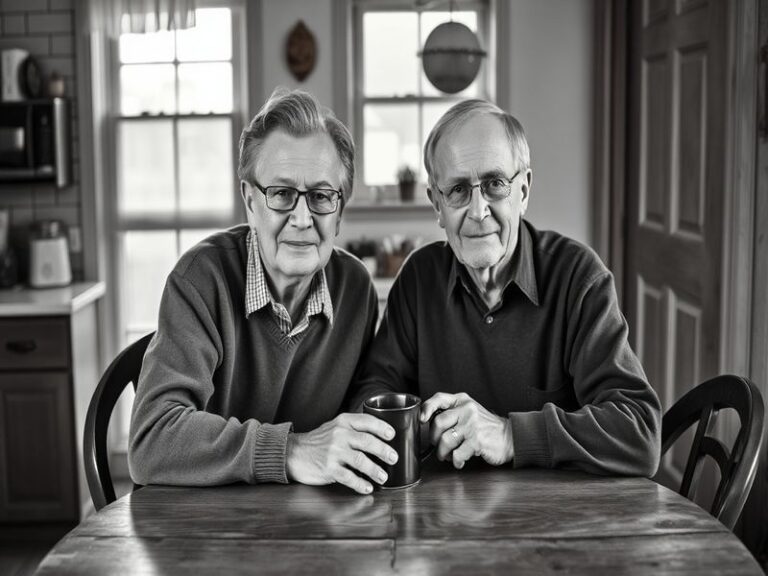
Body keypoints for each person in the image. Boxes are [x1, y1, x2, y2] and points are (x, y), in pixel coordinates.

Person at [351, 100, 661, 476]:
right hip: (443, 518)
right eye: (458, 190)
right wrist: (426, 425)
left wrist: (510, 434)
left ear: (524, 191)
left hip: (557, 520)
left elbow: (639, 432)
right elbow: (369, 399)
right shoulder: (418, 278)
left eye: (495, 184)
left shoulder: (578, 277)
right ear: (437, 205)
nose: (479, 211)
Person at [129, 88, 398, 495]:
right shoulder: (201, 280)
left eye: (322, 196)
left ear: (340, 213)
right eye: (282, 194)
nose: (303, 219)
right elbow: (152, 440)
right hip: (204, 530)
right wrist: (290, 450)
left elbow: (358, 403)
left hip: (317, 528)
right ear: (250, 201)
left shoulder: (355, 289)